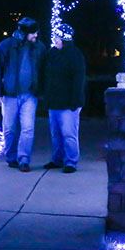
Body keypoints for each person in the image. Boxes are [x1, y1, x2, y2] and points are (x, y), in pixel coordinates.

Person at [0, 16, 46, 172]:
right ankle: (11, 157)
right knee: (9, 128)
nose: (36, 35)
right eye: (33, 33)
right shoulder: (6, 46)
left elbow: (43, 70)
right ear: (24, 33)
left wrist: (41, 90)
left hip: (30, 95)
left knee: (28, 128)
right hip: (10, 94)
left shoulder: (39, 48)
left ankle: (24, 160)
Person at [43, 23, 86, 173]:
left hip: (69, 103)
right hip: (54, 102)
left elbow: (78, 80)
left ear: (64, 39)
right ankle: (57, 159)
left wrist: (75, 101)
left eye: (57, 37)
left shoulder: (75, 55)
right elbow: (47, 77)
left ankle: (71, 162)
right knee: (56, 134)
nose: (55, 40)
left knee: (68, 133)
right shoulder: (51, 53)